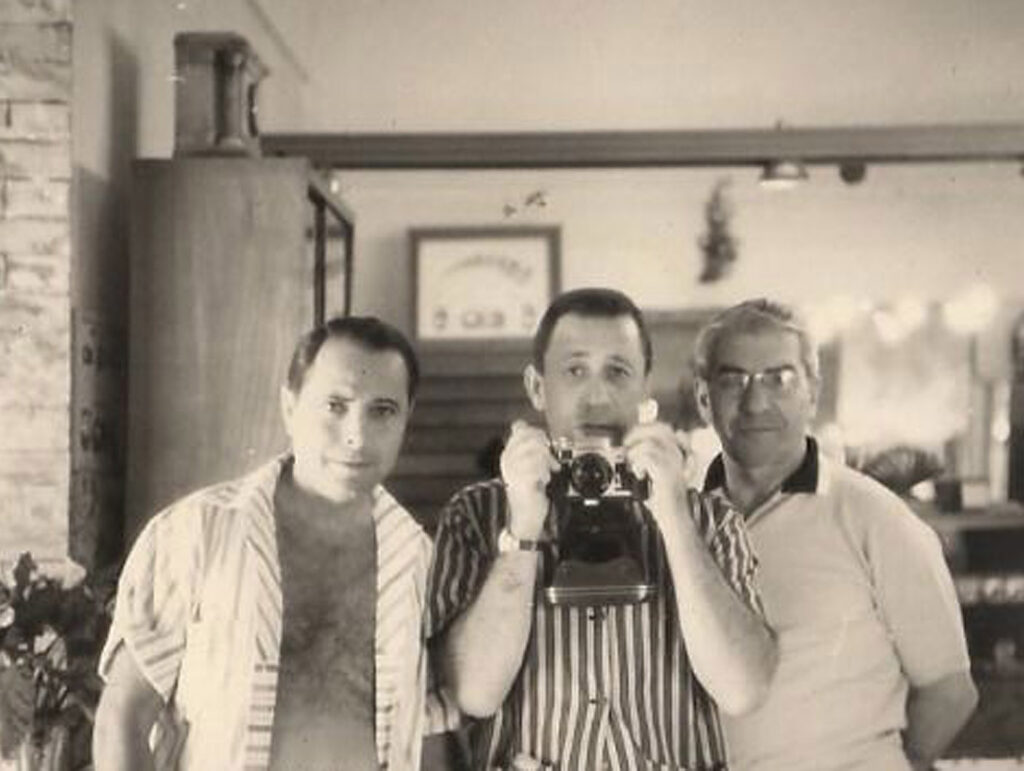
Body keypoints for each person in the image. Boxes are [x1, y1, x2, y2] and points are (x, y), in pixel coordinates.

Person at [428, 288, 778, 770]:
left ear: (644, 390)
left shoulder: (708, 518)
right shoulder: (478, 515)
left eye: (618, 371)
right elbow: (473, 695)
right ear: (536, 387)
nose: (597, 395)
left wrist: (674, 519)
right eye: (574, 371)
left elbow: (742, 690)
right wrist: (523, 528)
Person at [93, 316, 434, 771]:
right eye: (335, 405)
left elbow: (427, 731)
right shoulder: (196, 532)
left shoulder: (416, 555)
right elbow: (124, 717)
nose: (357, 435)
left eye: (383, 410)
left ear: (406, 419)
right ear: (290, 408)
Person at [693, 298, 978, 771]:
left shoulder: (877, 518)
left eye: (779, 379)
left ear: (813, 391)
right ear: (705, 398)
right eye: (732, 380)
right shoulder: (682, 524)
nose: (755, 402)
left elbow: (950, 692)